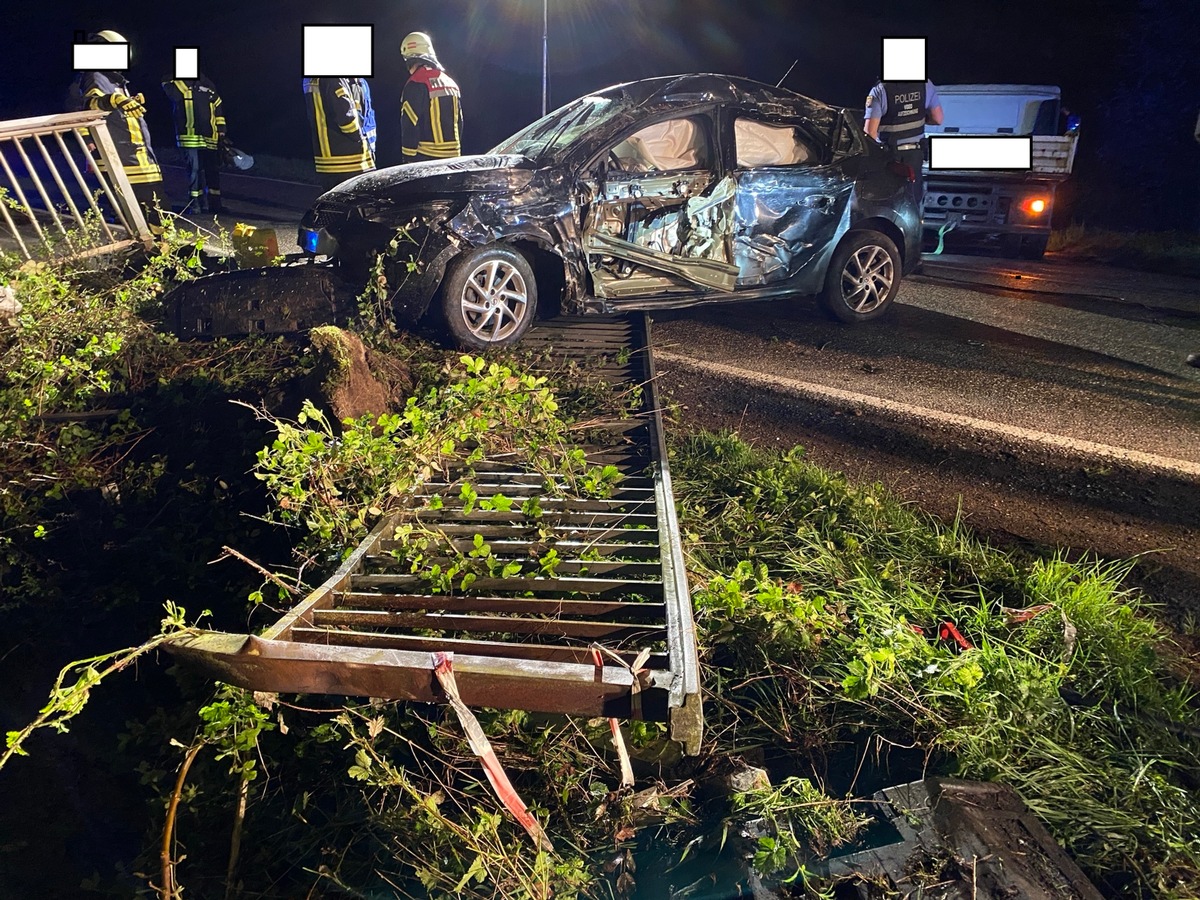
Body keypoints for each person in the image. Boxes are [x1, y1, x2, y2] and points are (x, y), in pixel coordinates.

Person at [66, 30, 164, 227]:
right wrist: (114, 100)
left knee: (155, 213)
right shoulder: (95, 76)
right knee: (141, 217)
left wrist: (126, 100)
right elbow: (91, 104)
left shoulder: (114, 80)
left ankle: (154, 245)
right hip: (123, 158)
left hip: (138, 157)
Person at [864, 77, 943, 215]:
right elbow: (938, 118)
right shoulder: (925, 84)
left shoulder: (880, 89)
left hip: (890, 159)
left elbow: (870, 133)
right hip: (914, 156)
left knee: (888, 207)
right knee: (912, 205)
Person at [161, 71, 227, 214]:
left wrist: (221, 130)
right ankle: (195, 204)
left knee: (212, 171)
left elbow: (218, 108)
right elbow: (174, 95)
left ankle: (215, 205)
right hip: (189, 137)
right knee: (194, 170)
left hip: (210, 136)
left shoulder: (207, 83)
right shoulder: (172, 82)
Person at [399, 31, 463, 162]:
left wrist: (408, 157)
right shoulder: (450, 82)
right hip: (453, 158)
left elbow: (409, 123)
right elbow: (460, 122)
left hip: (426, 158)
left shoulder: (416, 82)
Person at [302, 77, 375, 190]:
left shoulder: (312, 79)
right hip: (350, 160)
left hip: (328, 160)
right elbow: (346, 118)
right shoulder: (334, 78)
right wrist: (360, 138)